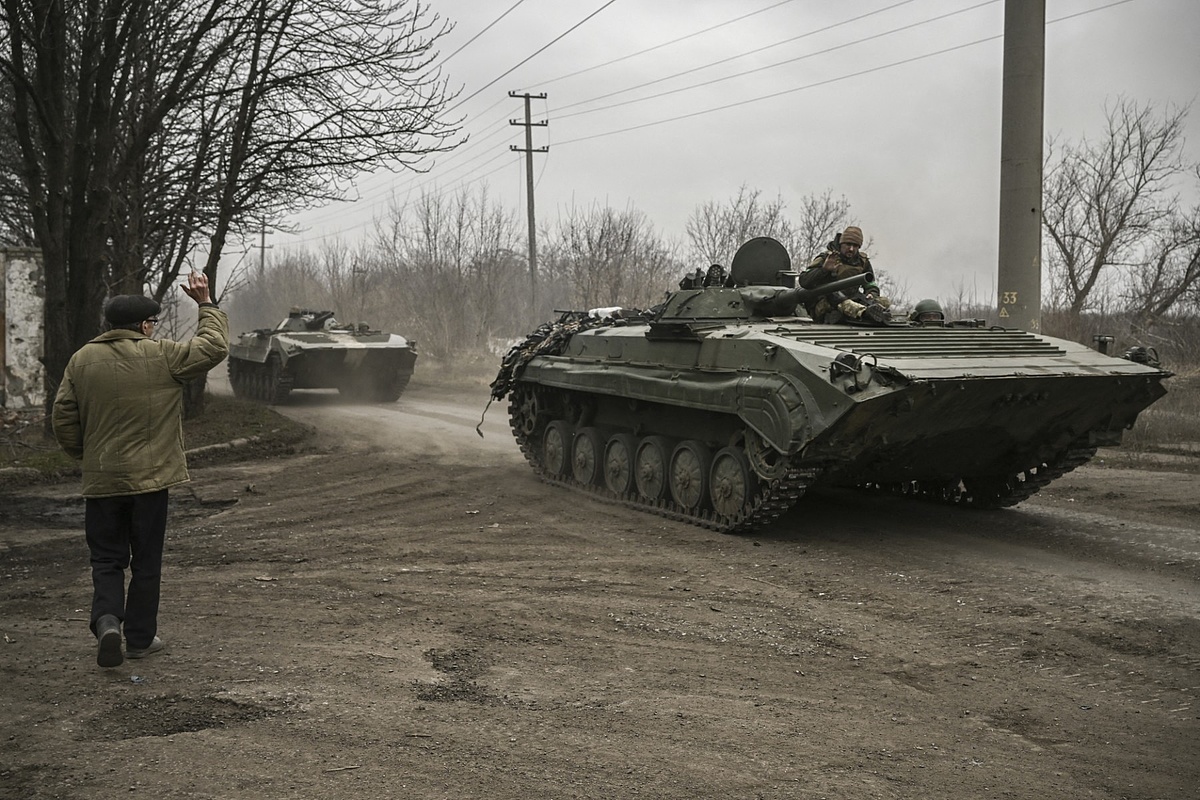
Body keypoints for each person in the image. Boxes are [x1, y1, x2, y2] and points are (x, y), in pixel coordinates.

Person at [52, 273, 229, 668]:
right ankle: (139, 640)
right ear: (145, 325)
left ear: (110, 326)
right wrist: (206, 304)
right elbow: (214, 346)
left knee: (106, 559)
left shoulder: (81, 360)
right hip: (151, 483)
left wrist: (89, 455)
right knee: (146, 562)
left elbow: (63, 417)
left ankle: (108, 621)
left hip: (102, 482)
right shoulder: (162, 355)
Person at [798, 225, 889, 323]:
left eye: (855, 246)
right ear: (841, 243)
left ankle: (874, 312)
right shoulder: (827, 258)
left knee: (884, 301)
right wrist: (823, 270)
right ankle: (864, 313)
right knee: (844, 302)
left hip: (853, 298)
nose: (851, 249)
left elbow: (870, 284)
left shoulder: (862, 262)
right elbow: (804, 280)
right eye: (848, 244)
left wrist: (871, 294)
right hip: (827, 302)